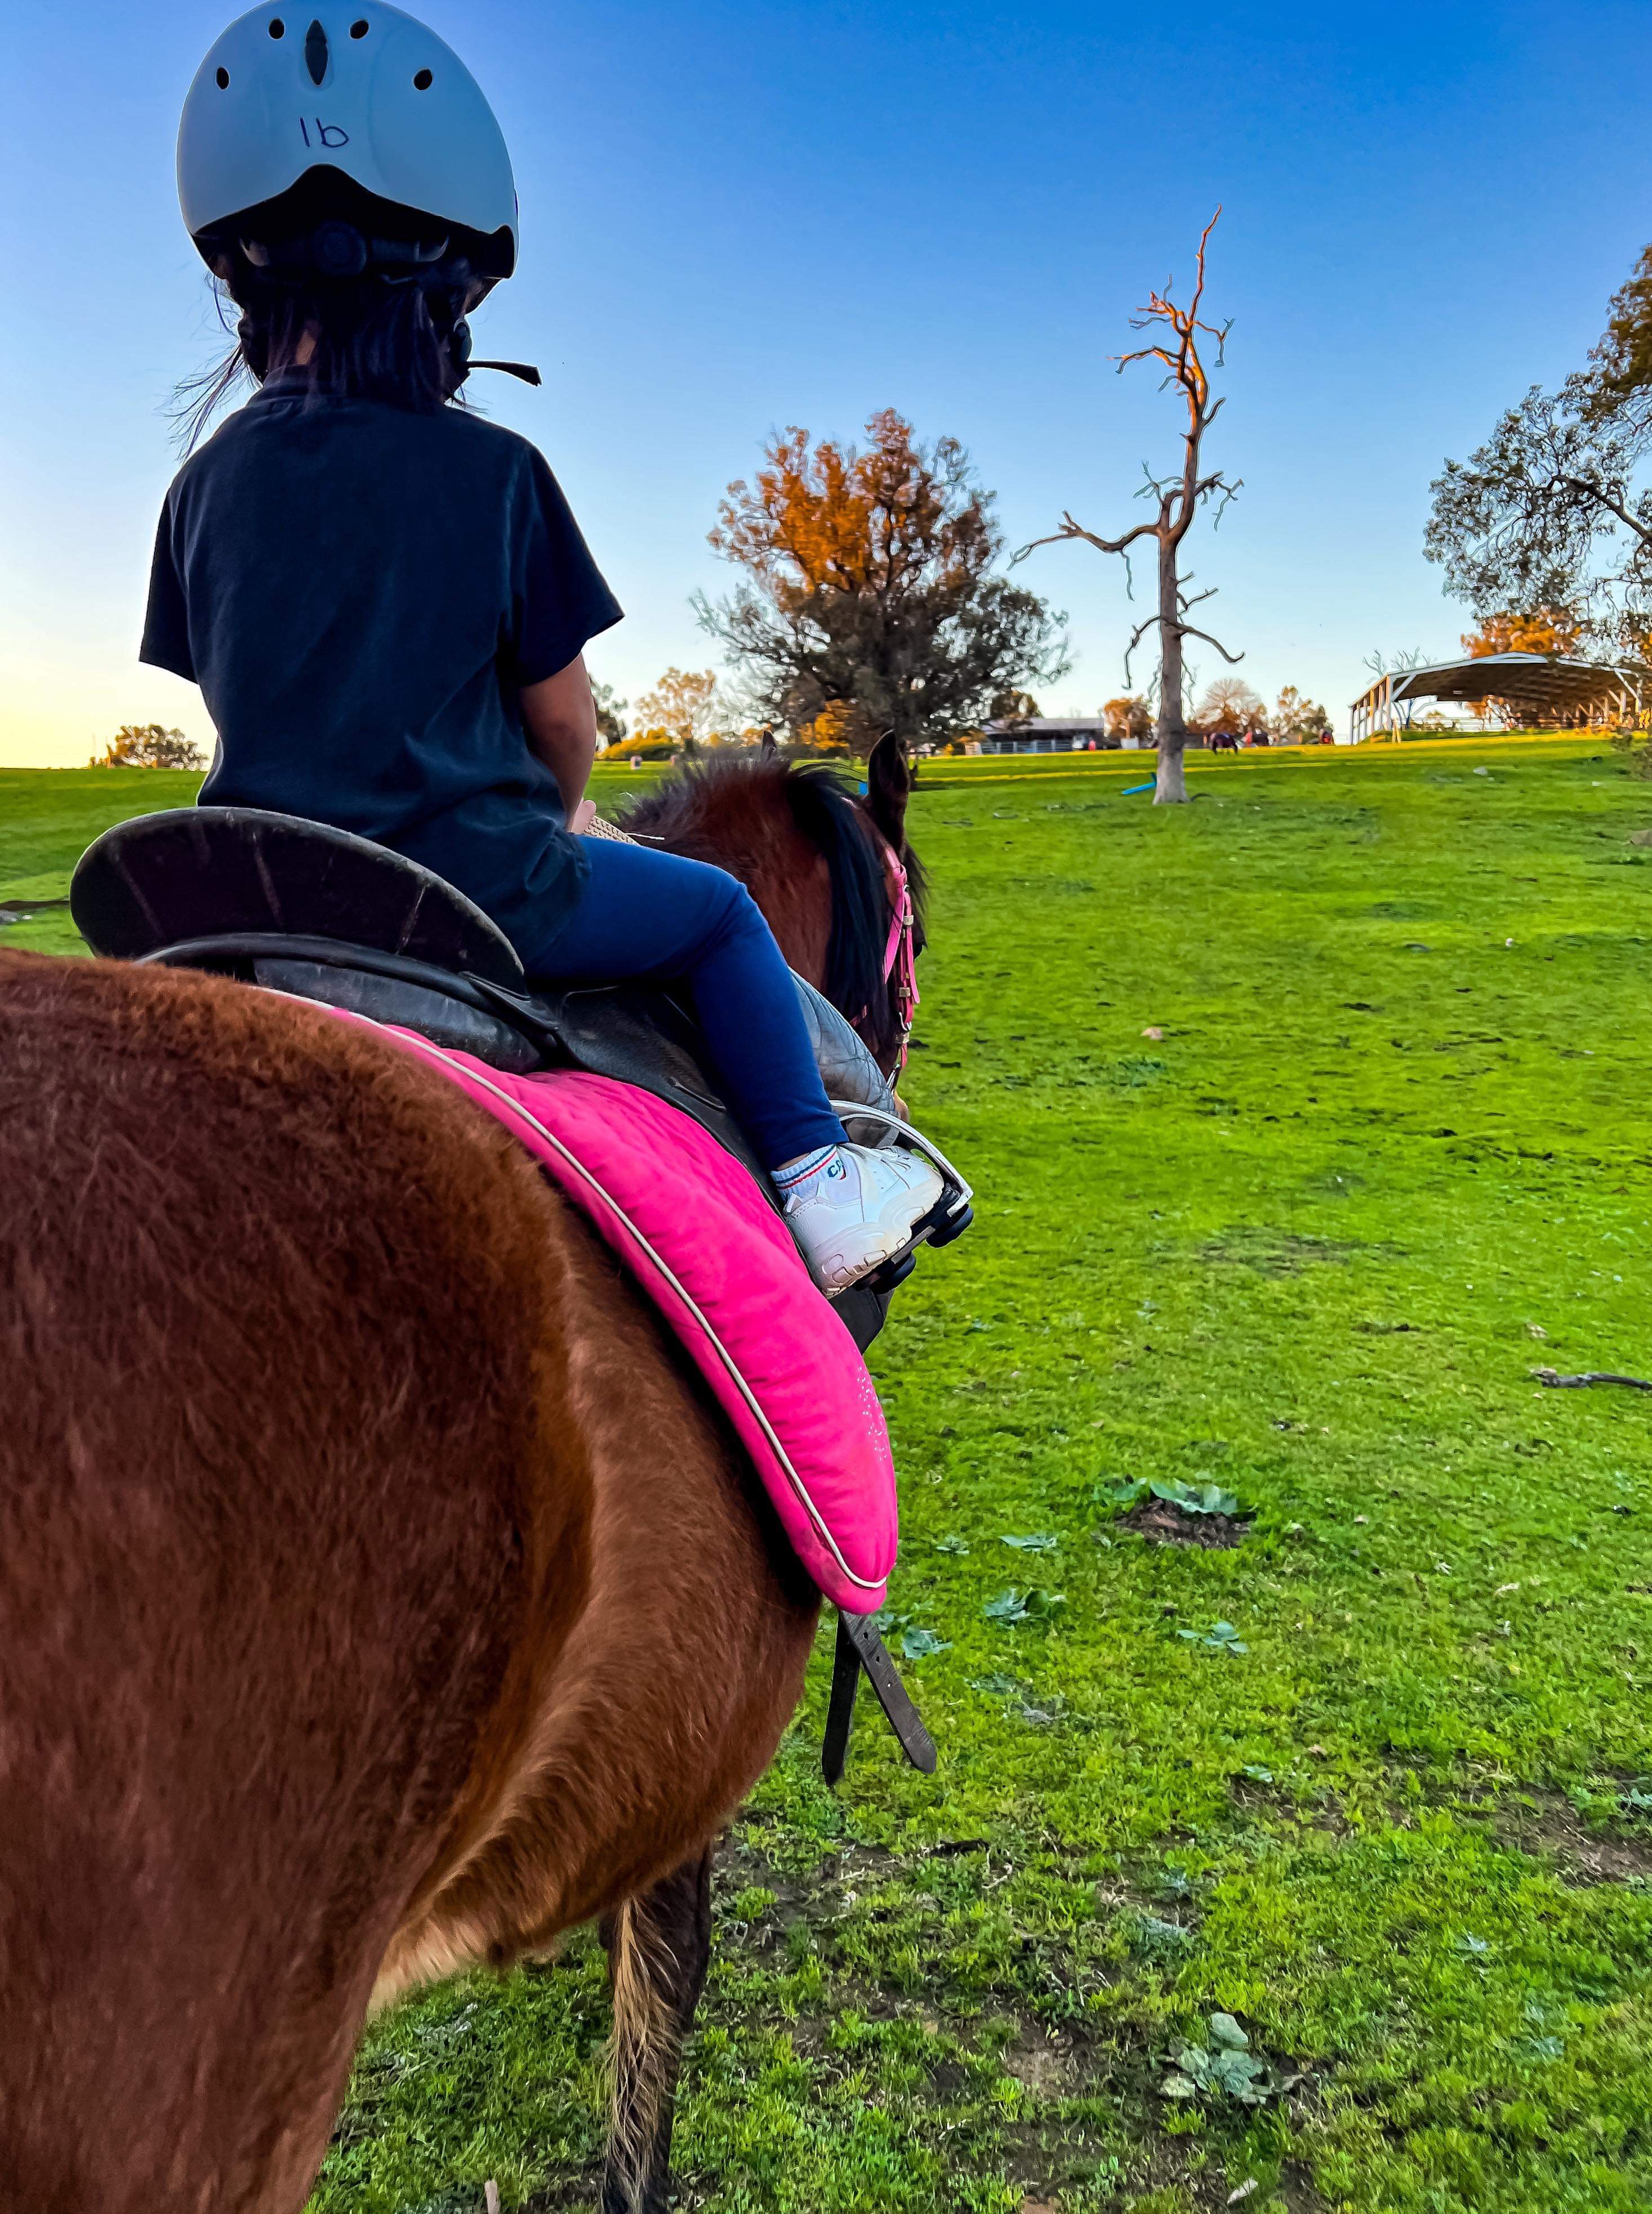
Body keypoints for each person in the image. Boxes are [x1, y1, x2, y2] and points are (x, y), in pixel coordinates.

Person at [139, 1, 943, 1295]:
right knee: (728, 917)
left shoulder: (202, 488)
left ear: (242, 283)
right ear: (453, 291)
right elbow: (565, 724)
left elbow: (233, 688)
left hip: (260, 892)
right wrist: (545, 833)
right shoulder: (498, 473)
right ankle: (819, 1179)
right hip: (471, 888)